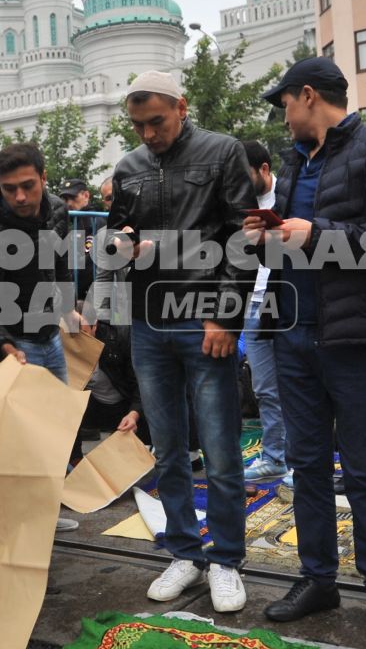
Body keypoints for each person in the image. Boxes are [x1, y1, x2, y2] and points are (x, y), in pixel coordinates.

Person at [246, 57, 366, 638]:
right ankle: (318, 578)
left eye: (286, 106)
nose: (284, 119)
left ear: (307, 96)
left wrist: (316, 235)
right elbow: (294, 250)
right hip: (295, 336)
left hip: (358, 338)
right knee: (308, 467)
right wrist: (267, 240)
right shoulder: (297, 165)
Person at [107, 70, 257, 614]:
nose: (148, 134)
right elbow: (115, 233)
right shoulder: (129, 168)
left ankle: (227, 560)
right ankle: (184, 552)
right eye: (138, 125)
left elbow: (242, 237)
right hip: (149, 325)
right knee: (168, 448)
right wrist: (117, 243)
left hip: (203, 323)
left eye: (156, 122)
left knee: (219, 450)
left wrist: (224, 317)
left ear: (181, 107)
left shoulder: (221, 153)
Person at [0, 142, 74, 380]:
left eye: (27, 186)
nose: (20, 197)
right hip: (15, 344)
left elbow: (60, 264)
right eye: (9, 189)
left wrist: (69, 310)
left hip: (53, 336)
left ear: (43, 178)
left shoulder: (57, 209)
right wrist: (7, 348)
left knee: (61, 416)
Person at [237, 138, 289, 487]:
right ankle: (274, 458)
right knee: (265, 388)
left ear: (264, 170)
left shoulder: (291, 194)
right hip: (252, 304)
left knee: (300, 386)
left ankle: (302, 461)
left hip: (287, 300)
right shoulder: (238, 204)